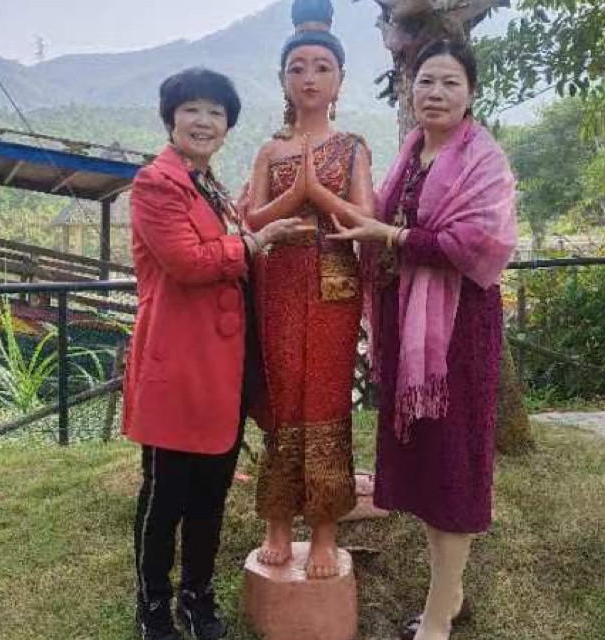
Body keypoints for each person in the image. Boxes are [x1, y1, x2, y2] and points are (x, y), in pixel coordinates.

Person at [328, 40, 517, 640]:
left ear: (471, 93)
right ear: (410, 89)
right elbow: (379, 222)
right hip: (410, 331)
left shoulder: (483, 159)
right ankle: (451, 592)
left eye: (450, 83)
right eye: (426, 81)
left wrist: (390, 235)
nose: (435, 93)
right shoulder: (411, 153)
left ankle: (437, 619)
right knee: (430, 465)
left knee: (453, 468)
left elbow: (480, 245)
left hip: (458, 335)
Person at [122, 67, 311, 640]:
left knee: (211, 490)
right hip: (177, 364)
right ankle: (154, 605)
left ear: (227, 125)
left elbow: (237, 234)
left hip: (225, 366)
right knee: (166, 495)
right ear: (171, 118)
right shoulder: (157, 184)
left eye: (215, 113)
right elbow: (188, 261)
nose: (204, 121)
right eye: (192, 110)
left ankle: (197, 596)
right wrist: (254, 242)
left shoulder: (211, 186)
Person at [245, 0, 375, 579]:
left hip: (334, 289)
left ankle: (324, 530)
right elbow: (250, 221)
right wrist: (292, 195)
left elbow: (365, 219)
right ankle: (277, 523)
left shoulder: (353, 147)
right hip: (278, 285)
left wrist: (315, 195)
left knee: (326, 401)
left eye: (322, 67)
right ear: (282, 80)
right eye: (297, 68)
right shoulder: (269, 150)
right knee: (282, 401)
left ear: (340, 79)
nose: (310, 78)